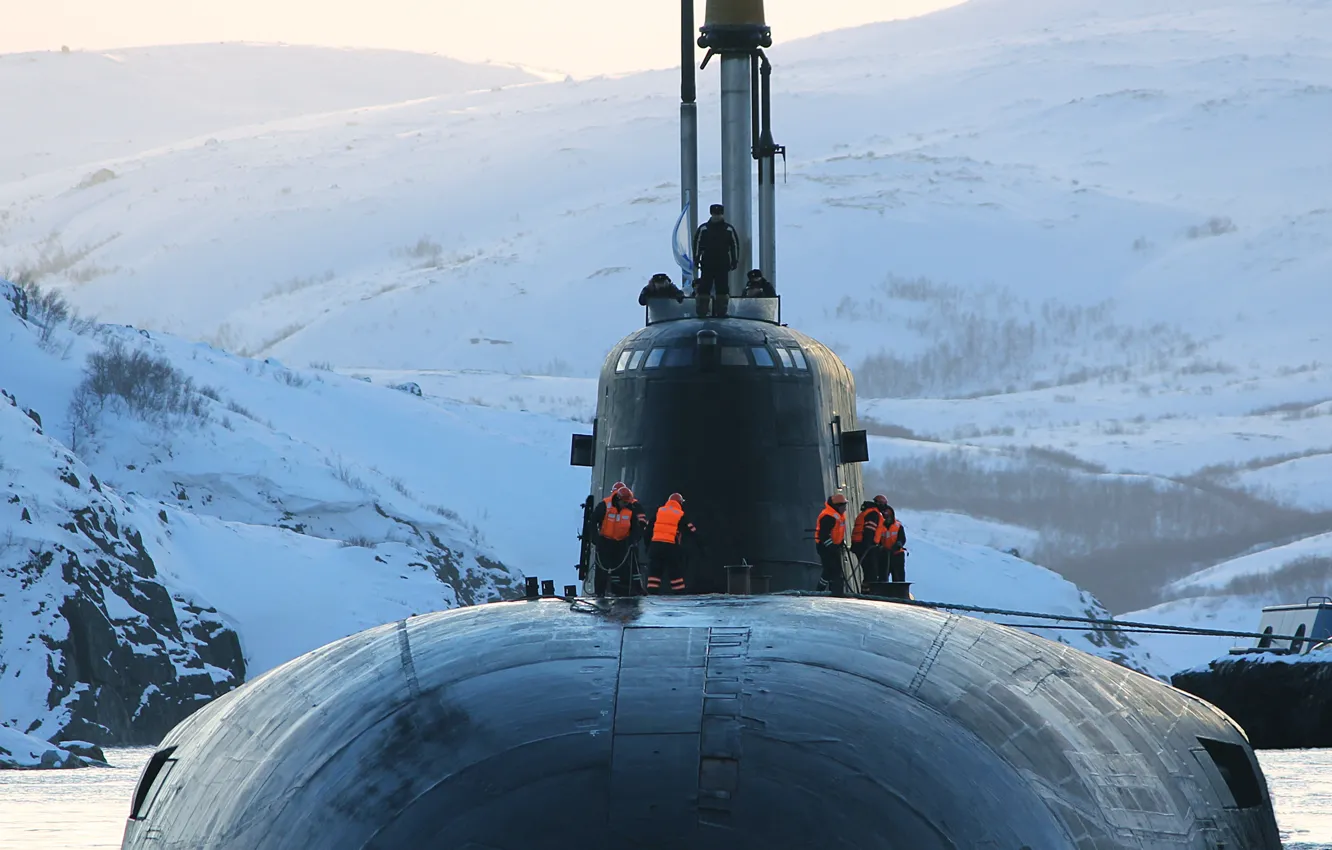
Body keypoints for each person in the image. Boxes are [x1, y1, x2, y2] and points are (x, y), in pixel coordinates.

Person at [692, 203, 739, 318]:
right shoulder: (704, 229)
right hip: (707, 262)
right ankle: (702, 311)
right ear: (711, 214)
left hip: (722, 262)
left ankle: (721, 311)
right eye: (714, 214)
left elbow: (734, 245)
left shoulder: (728, 229)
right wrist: (697, 258)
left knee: (722, 288)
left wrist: (734, 260)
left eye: (718, 214)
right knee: (704, 287)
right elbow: (697, 243)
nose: (717, 216)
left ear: (722, 214)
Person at [648, 492, 697, 594]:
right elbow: (691, 530)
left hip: (655, 545)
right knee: (675, 571)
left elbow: (648, 528)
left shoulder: (659, 511)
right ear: (680, 503)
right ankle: (679, 594)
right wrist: (699, 544)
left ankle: (651, 594)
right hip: (670, 546)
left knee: (655, 572)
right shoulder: (680, 514)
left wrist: (648, 545)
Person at [590, 485, 635, 596]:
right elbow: (592, 521)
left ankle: (621, 593)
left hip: (621, 543)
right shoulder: (604, 506)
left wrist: (631, 540)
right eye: (624, 502)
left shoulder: (630, 509)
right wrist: (595, 539)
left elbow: (635, 527)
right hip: (605, 541)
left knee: (622, 569)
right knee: (602, 569)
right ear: (619, 499)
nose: (626, 505)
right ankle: (600, 594)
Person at [814, 494, 849, 596]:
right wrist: (831, 546)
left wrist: (840, 542)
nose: (845, 508)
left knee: (833, 570)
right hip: (825, 547)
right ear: (838, 506)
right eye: (844, 506)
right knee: (831, 570)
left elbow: (836, 532)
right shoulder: (828, 517)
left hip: (833, 546)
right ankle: (823, 591)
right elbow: (823, 535)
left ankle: (833, 591)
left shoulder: (837, 516)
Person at [850, 496, 887, 584]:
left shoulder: (867, 512)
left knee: (869, 572)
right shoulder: (873, 514)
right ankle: (869, 593)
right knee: (871, 573)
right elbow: (869, 531)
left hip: (860, 544)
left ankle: (866, 591)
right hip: (865, 546)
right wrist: (869, 546)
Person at [880, 504, 908, 582]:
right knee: (883, 577)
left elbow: (902, 538)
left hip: (897, 554)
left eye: (888, 516)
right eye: (885, 516)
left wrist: (898, 544)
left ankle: (898, 592)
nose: (887, 518)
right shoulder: (880, 527)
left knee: (898, 577)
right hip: (885, 554)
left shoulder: (898, 526)